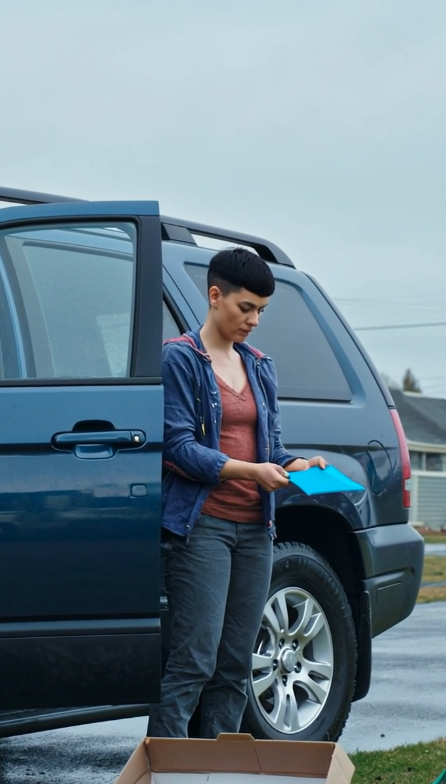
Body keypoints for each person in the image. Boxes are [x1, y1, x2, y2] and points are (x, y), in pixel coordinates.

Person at [147, 247, 326, 739]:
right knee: (194, 662)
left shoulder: (259, 365)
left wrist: (298, 465)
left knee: (234, 668)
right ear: (214, 296)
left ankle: (217, 782)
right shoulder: (180, 359)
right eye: (246, 308)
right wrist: (251, 471)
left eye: (261, 312)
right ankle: (165, 779)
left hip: (256, 531)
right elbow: (178, 449)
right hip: (201, 528)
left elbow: (274, 446)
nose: (254, 321)